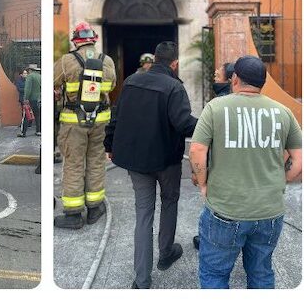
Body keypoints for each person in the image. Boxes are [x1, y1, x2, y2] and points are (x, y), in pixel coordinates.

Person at [190, 55, 301, 289]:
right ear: (263, 82)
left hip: (225, 209)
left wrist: (203, 184)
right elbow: (298, 159)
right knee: (261, 273)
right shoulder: (283, 112)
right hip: (269, 211)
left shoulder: (215, 108)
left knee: (215, 274)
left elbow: (198, 149)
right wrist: (282, 181)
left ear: (235, 79)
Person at [104, 41, 198, 289]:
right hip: (166, 161)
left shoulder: (131, 82)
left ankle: (142, 281)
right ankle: (166, 253)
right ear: (174, 63)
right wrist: (210, 123)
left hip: (137, 161)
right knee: (169, 203)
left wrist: (109, 144)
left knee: (143, 215)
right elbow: (184, 124)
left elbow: (117, 115)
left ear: (155, 59)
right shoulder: (174, 87)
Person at [53, 22, 116, 229]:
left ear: (76, 41)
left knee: (73, 164)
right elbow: (112, 85)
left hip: (73, 122)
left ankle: (73, 214)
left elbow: (53, 81)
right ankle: (95, 208)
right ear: (93, 39)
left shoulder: (66, 61)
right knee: (96, 162)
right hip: (100, 121)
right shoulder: (106, 61)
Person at [192, 61, 235, 250]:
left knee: (213, 208)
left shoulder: (216, 106)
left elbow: (200, 148)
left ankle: (207, 239)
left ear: (231, 79)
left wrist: (199, 174)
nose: (214, 79)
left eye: (217, 76)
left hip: (219, 170)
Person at [16, 69, 30, 137]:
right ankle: (23, 126)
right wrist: (26, 89)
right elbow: (19, 89)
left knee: (29, 113)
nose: (25, 74)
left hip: (29, 98)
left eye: (26, 73)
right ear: (21, 74)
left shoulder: (29, 80)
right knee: (24, 113)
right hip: (23, 99)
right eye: (24, 73)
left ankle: (28, 124)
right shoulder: (19, 81)